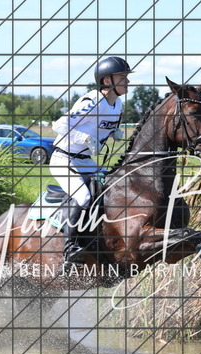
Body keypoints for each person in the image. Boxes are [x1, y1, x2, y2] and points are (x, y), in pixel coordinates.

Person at [49, 56, 133, 265]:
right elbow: (59, 125)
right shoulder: (92, 101)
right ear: (107, 81)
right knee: (84, 196)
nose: (127, 82)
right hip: (63, 159)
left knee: (114, 188)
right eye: (122, 78)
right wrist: (84, 138)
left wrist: (114, 132)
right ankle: (70, 249)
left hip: (85, 160)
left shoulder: (117, 103)